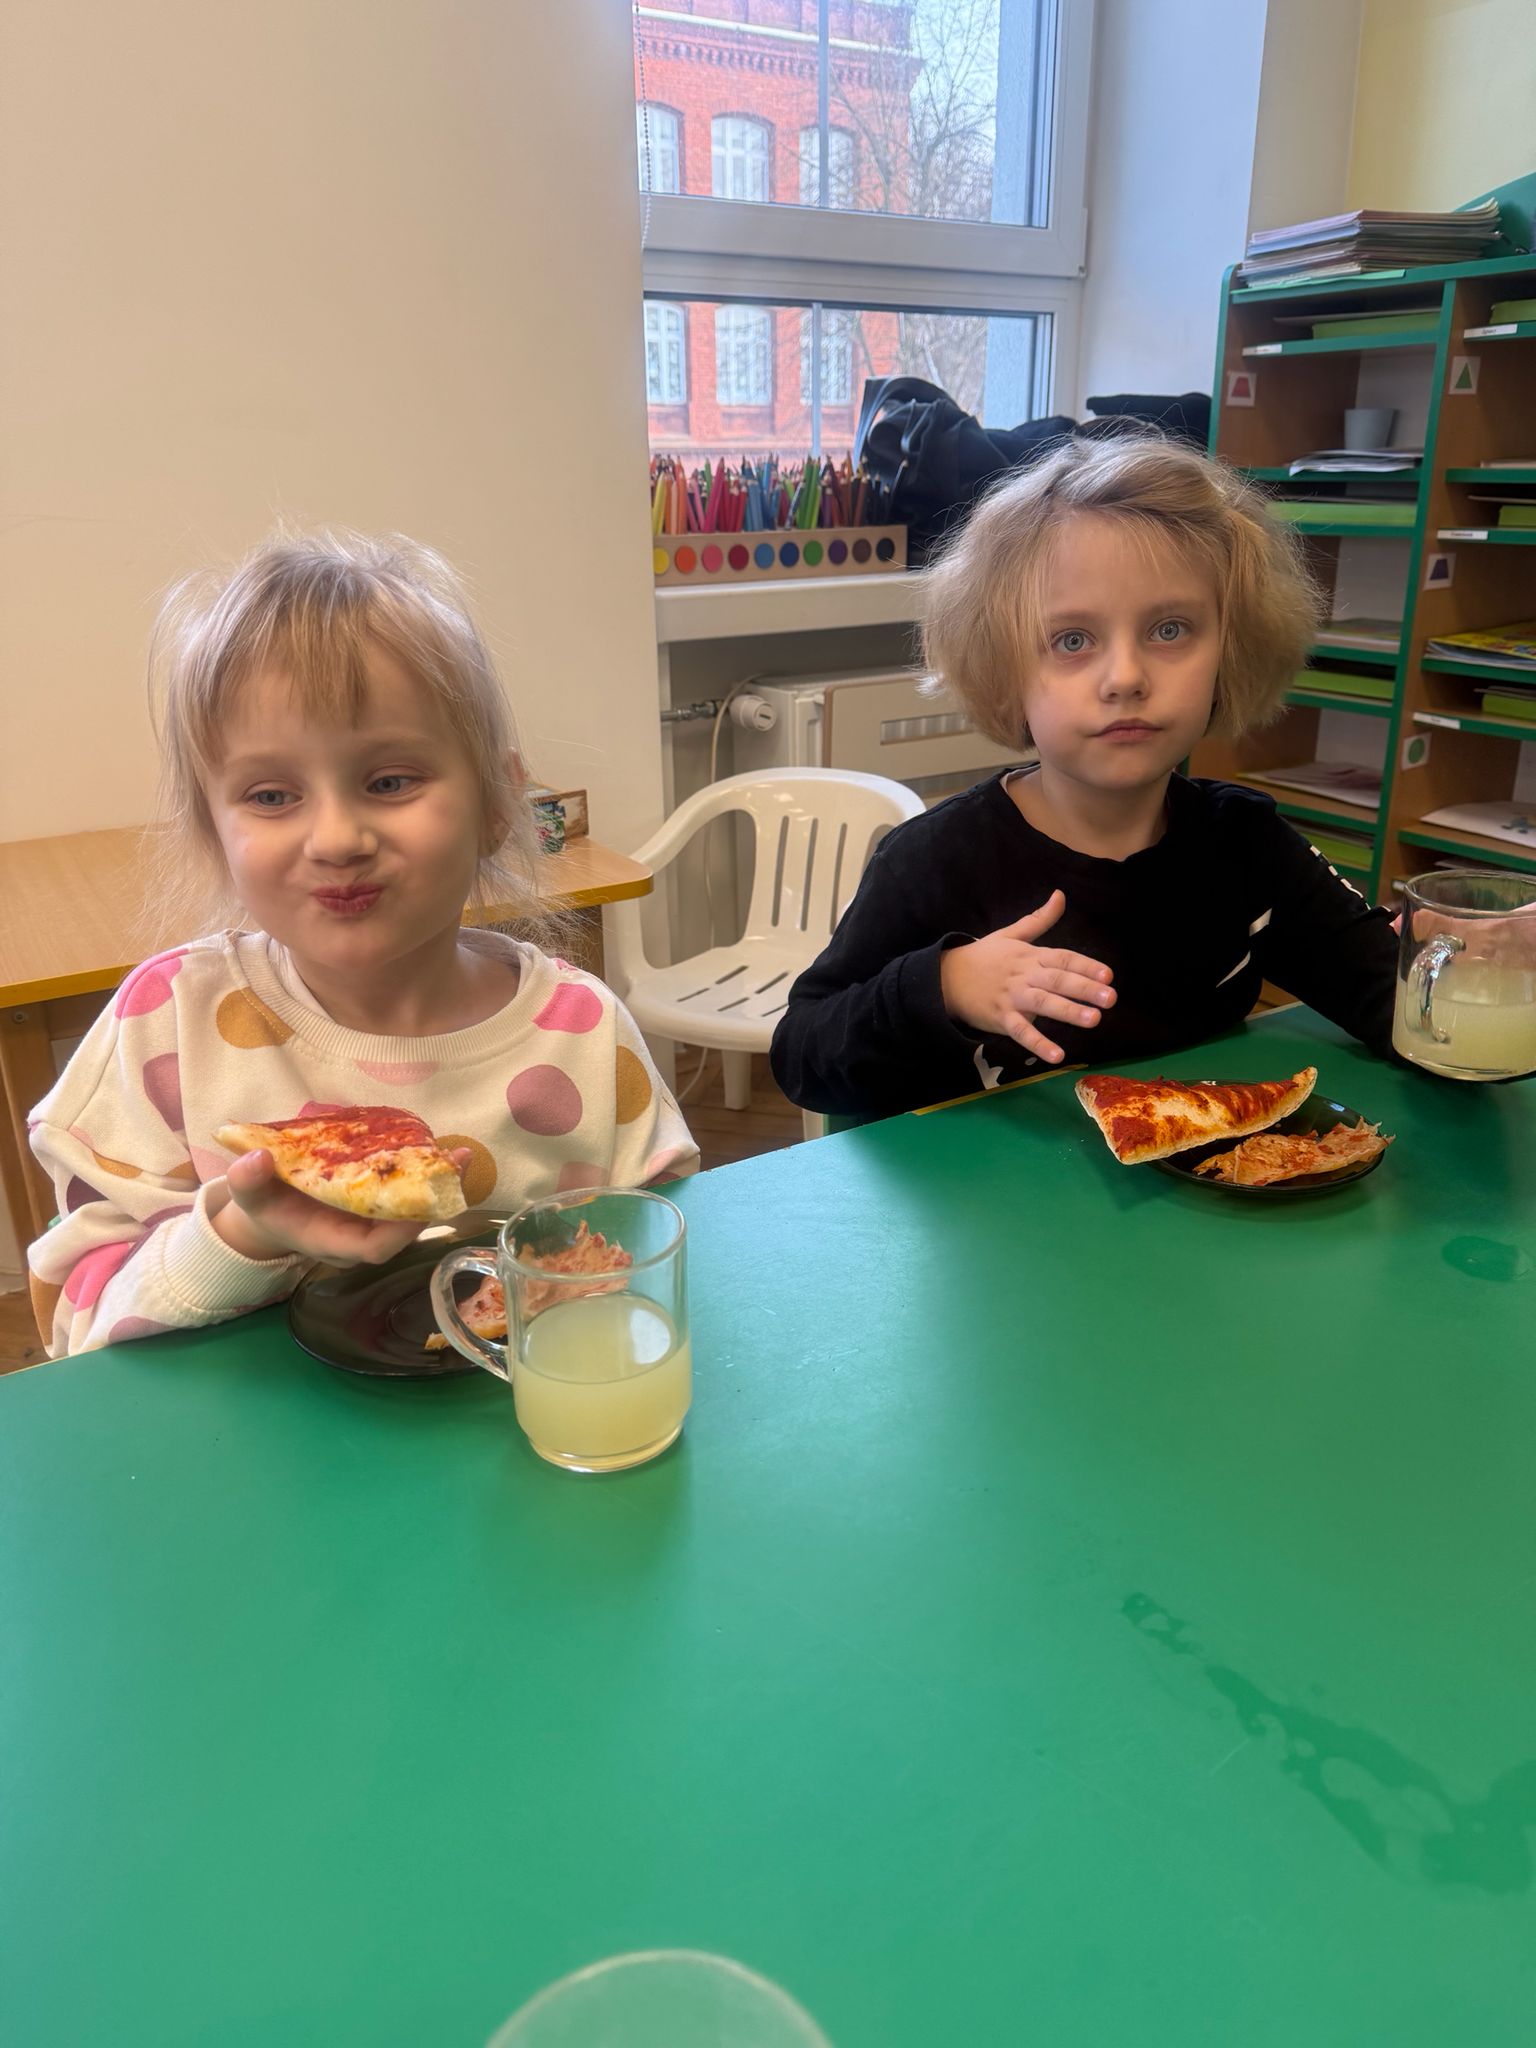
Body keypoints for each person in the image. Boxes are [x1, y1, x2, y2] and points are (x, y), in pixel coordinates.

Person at [28, 531, 696, 1357]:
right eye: (271, 796)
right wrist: (241, 1234)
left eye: (389, 781)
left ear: (497, 802)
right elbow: (72, 1325)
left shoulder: (583, 1035)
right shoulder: (167, 1026)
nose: (337, 838)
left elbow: (660, 1260)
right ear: (213, 830)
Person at [770, 434, 1399, 1120]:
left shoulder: (1249, 846)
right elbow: (803, 1055)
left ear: (1232, 647)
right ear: (1005, 669)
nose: (1125, 677)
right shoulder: (934, 862)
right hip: (984, 1185)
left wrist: (1459, 964)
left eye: (1170, 630)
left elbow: (1392, 1000)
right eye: (1072, 640)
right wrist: (943, 985)